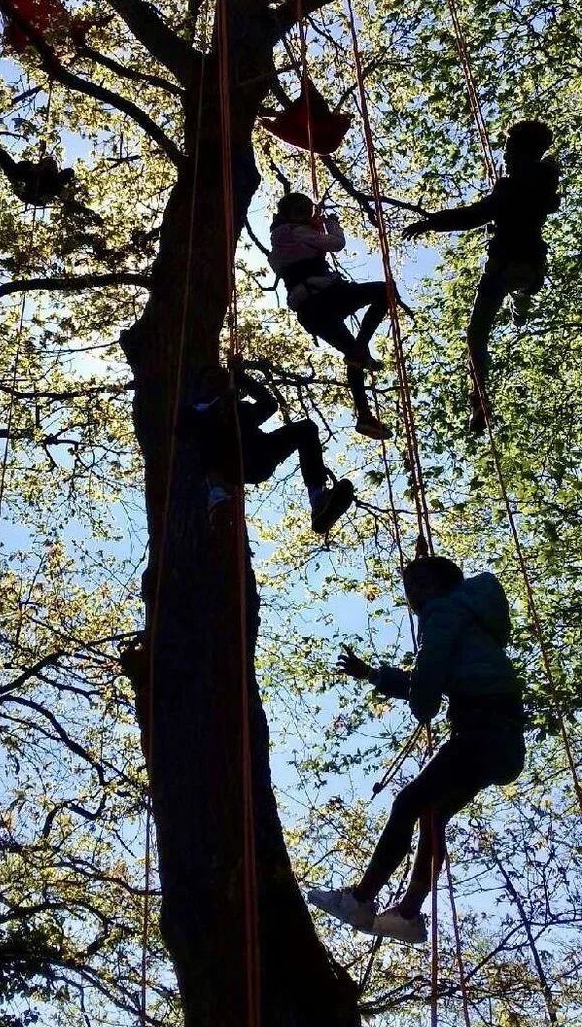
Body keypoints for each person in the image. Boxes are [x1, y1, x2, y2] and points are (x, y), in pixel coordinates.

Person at [309, 555, 525, 943]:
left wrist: (423, 706)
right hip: (500, 739)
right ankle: (408, 915)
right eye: (411, 589)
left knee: (407, 804)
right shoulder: (472, 615)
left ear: (444, 585)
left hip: (480, 730)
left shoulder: (441, 614)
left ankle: (360, 899)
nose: (415, 596)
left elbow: (428, 682)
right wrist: (374, 675)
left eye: (422, 585)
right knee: (433, 814)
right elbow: (441, 673)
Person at [403, 120, 560, 433]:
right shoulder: (543, 183)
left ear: (524, 152)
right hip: (522, 268)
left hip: (507, 267)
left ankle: (480, 398)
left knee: (477, 336)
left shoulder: (514, 188)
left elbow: (472, 216)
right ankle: (521, 300)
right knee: (493, 315)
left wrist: (431, 223)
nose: (505, 157)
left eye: (509, 150)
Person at [269, 192, 409, 441]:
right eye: (299, 211)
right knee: (385, 290)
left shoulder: (281, 240)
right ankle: (361, 348)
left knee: (353, 355)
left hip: (311, 311)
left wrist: (313, 225)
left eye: (306, 210)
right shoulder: (294, 232)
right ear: (287, 215)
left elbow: (300, 253)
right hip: (326, 295)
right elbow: (336, 244)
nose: (304, 215)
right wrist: (332, 225)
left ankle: (364, 414)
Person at [179, 360, 356, 534]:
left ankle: (318, 499)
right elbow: (183, 433)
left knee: (306, 429)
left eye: (222, 378)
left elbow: (269, 405)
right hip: (228, 462)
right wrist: (217, 409)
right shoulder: (194, 410)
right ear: (201, 386)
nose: (217, 382)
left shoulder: (239, 407)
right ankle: (216, 495)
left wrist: (240, 377)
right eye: (211, 379)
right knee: (207, 434)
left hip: (259, 454)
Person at [0, 148, 101, 221]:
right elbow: (19, 169)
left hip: (33, 192)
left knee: (4, 158)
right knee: (0, 154)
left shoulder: (56, 184)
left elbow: (69, 201)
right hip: (26, 186)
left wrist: (89, 213)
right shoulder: (33, 169)